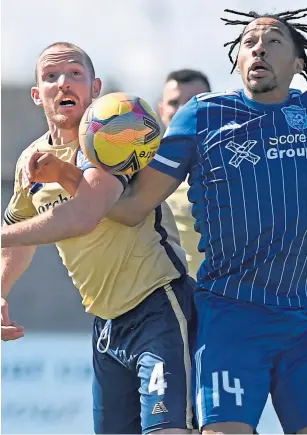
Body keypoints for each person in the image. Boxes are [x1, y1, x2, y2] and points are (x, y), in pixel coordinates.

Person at [4, 7, 307, 433]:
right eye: (248, 43)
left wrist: (65, 175)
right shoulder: (200, 118)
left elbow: (85, 214)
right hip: (194, 319)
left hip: (263, 315)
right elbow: (114, 210)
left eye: (272, 41)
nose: (259, 48)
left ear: (297, 62)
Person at [1, 41, 197, 434]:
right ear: (38, 94)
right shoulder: (31, 159)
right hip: (106, 324)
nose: (63, 83)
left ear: (95, 87)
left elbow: (81, 215)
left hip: (158, 306)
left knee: (169, 430)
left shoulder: (113, 134)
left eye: (75, 73)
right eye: (51, 76)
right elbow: (18, 238)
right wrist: (1, 292)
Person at [160, 69, 212, 278]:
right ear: (161, 109)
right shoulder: (143, 170)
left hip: (226, 298)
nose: (183, 110)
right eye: (174, 103)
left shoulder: (235, 166)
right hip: (170, 300)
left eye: (193, 102)